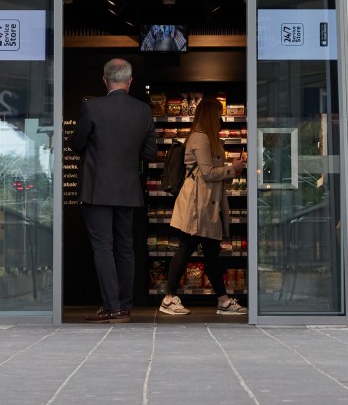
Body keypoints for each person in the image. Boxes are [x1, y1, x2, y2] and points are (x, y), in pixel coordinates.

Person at [68, 58, 156, 322]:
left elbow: (76, 143)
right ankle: (124, 306)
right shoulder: (143, 111)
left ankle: (112, 306)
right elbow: (150, 152)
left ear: (104, 80)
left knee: (103, 247)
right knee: (125, 248)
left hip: (97, 189)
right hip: (128, 189)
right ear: (130, 81)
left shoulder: (93, 108)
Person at [159, 97, 247, 316]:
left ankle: (223, 301)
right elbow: (207, 173)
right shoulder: (201, 138)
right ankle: (169, 298)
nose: (220, 120)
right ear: (210, 116)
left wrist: (231, 170)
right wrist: (232, 169)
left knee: (210, 252)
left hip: (206, 203)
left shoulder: (206, 138)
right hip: (198, 204)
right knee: (187, 247)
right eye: (217, 116)